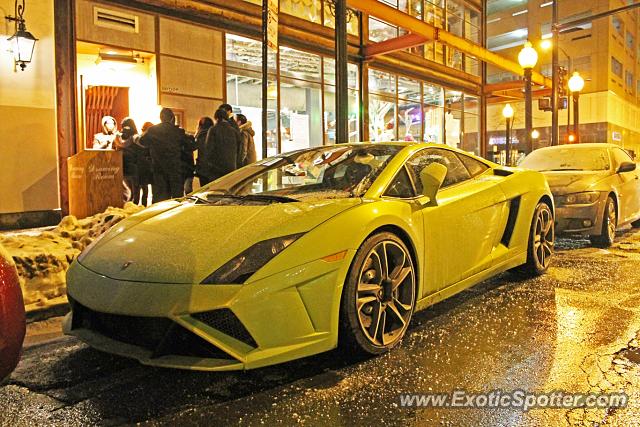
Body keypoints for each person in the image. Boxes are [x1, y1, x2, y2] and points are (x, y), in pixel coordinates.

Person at [140, 108, 192, 202]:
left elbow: (142, 141)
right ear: (172, 118)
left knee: (161, 199)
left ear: (160, 118)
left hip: (158, 169)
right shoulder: (178, 131)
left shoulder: (152, 130)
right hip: (174, 169)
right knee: (177, 199)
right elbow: (190, 146)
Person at [201, 109, 243, 182]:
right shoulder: (234, 131)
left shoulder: (213, 129)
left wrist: (206, 166)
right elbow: (239, 149)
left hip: (216, 168)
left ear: (216, 118)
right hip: (231, 167)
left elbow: (208, 149)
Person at [114, 118, 140, 203]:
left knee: (134, 190)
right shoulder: (122, 136)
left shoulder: (134, 137)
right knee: (130, 190)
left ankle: (134, 207)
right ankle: (130, 206)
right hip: (125, 165)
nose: (125, 129)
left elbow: (123, 144)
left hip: (132, 165)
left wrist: (117, 139)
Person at [134, 122, 154, 205]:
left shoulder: (137, 138)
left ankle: (139, 207)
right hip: (145, 166)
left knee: (142, 189)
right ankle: (144, 207)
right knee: (145, 190)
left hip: (141, 166)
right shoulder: (142, 138)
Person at [194, 117, 214, 186]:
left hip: (202, 167)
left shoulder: (200, 135)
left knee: (204, 189)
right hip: (213, 167)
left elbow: (194, 147)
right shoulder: (214, 134)